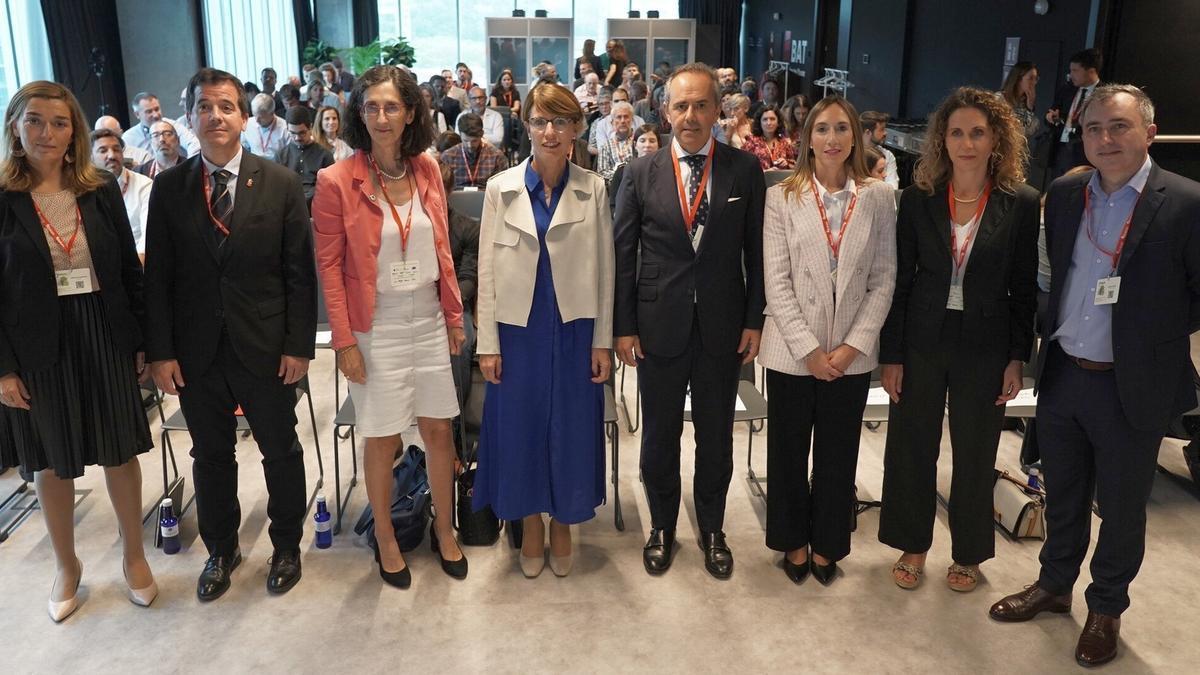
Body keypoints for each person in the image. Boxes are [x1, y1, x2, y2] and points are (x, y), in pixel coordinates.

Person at [989, 84, 1200, 666]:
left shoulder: (1184, 202)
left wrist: (1152, 334)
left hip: (1131, 385)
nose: (1105, 139)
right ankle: (1054, 586)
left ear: (1149, 133)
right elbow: (1052, 275)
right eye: (1093, 129)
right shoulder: (1064, 194)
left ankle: (1106, 607)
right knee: (1063, 495)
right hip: (1063, 375)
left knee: (1123, 508)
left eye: (1119, 127)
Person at [144, 68, 317, 602]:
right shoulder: (170, 187)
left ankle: (286, 543)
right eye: (204, 106)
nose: (215, 116)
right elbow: (159, 279)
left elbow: (298, 274)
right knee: (210, 454)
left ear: (243, 116)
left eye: (225, 106)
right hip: (196, 352)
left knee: (280, 449)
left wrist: (298, 346)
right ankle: (222, 549)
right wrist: (161, 353)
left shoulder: (280, 182)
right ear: (190, 116)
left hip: (265, 347)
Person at [0, 81, 157, 622]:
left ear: (76, 131)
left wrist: (141, 340)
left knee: (119, 450)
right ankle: (67, 565)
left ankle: (135, 556)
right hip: (37, 342)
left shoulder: (100, 188)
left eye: (60, 122)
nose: (48, 133)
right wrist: (2, 369)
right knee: (51, 460)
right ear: (16, 127)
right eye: (36, 121)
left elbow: (129, 274)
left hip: (102, 327)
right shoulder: (2, 198)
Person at [311, 65, 469, 588]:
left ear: (410, 114)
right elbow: (329, 268)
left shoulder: (426, 169)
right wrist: (344, 341)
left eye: (392, 107)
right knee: (380, 438)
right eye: (372, 106)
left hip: (425, 314)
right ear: (359, 113)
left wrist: (451, 315)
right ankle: (384, 536)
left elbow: (442, 249)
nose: (382, 116)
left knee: (439, 428)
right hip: (373, 323)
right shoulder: (336, 180)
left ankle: (446, 529)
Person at [877, 86, 1038, 592]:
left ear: (996, 140)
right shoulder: (918, 198)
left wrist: (1017, 358)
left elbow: (1024, 287)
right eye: (956, 133)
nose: (966, 143)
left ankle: (968, 552)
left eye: (977, 133)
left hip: (985, 345)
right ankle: (913, 544)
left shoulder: (1021, 203)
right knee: (911, 446)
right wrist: (893, 354)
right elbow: (899, 281)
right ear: (941, 140)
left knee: (975, 451)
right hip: (923, 338)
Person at [614, 62, 766, 579]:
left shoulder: (744, 171)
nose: (692, 115)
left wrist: (754, 318)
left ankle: (714, 528)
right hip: (659, 325)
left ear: (718, 109)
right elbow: (623, 255)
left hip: (724, 326)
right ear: (665, 111)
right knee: (658, 435)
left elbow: (757, 253)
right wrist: (623, 326)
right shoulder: (638, 173)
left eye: (702, 104)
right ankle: (660, 526)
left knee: (716, 434)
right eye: (681, 106)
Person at [473, 80, 614, 579]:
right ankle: (530, 522)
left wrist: (603, 341)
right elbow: (487, 271)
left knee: (571, 428)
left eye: (560, 121)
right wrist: (486, 343)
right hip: (517, 331)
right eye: (539, 121)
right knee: (521, 428)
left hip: (575, 329)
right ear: (526, 126)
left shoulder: (593, 188)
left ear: (576, 128)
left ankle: (563, 522)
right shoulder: (500, 188)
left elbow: (606, 270)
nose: (549, 132)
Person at [759, 96, 897, 585]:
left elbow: (884, 278)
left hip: (851, 357)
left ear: (856, 136)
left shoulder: (878, 197)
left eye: (842, 128)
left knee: (839, 457)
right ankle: (793, 542)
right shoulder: (782, 196)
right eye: (822, 129)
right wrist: (810, 351)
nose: (832, 139)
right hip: (793, 352)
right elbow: (776, 281)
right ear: (807, 138)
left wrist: (851, 346)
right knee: (789, 453)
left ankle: (829, 545)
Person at [436, 160, 480, 408]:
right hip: (414, 306)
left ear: (448, 191)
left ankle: (456, 424)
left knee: (459, 345)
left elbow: (468, 279)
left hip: (454, 306)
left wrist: (443, 303)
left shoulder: (468, 228)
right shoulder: (408, 228)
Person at [90, 128, 153, 259]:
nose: (112, 155)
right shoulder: (83, 190)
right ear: (90, 157)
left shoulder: (144, 185)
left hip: (137, 263)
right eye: (103, 151)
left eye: (116, 149)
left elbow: (148, 236)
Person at [1046, 48, 1102, 182]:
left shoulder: (1103, 94)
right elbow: (1051, 112)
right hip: (1061, 149)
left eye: (1075, 71)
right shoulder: (1067, 90)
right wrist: (1051, 118)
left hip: (1085, 153)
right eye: (1071, 71)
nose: (1071, 75)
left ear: (1091, 71)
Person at [275, 106, 334, 208]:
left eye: (302, 133)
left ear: (310, 127)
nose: (297, 138)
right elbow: (277, 187)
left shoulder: (325, 155)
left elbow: (328, 188)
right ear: (287, 129)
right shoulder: (281, 155)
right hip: (288, 207)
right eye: (293, 133)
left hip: (317, 206)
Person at [440, 113, 508, 189]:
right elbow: (443, 189)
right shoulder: (448, 157)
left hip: (486, 198)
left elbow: (500, 188)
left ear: (482, 134)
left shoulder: (497, 157)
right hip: (456, 199)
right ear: (460, 135)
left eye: (474, 141)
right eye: (465, 140)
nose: (469, 145)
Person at [1001, 61, 1044, 181]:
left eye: (1036, 79)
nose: (1034, 83)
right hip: (1000, 151)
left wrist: (1030, 107)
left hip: (1017, 154)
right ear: (1019, 79)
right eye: (1030, 78)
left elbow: (1028, 132)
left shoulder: (1026, 103)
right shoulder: (1000, 99)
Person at [124, 91, 198, 158]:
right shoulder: (129, 138)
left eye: (157, 109)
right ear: (137, 114)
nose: (156, 115)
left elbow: (194, 144)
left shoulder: (173, 126)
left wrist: (191, 165)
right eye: (149, 112)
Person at [741, 105, 796, 170]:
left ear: (778, 122)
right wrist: (765, 172)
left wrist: (786, 163)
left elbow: (794, 166)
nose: (769, 123)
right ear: (760, 123)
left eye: (772, 119)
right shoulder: (751, 142)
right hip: (759, 179)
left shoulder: (784, 142)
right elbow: (742, 166)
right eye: (765, 119)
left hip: (780, 179)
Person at [595, 101, 636, 180]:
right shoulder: (606, 146)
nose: (623, 121)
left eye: (626, 117)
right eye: (619, 117)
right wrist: (623, 175)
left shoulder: (639, 141)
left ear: (632, 120)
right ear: (612, 122)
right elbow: (602, 172)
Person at [243, 93, 289, 160]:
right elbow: (244, 149)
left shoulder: (284, 128)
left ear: (272, 113)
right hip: (253, 167)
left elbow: (288, 157)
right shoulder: (248, 124)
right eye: (254, 115)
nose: (256, 120)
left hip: (276, 168)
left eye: (261, 117)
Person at [860, 111, 900, 188]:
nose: (885, 133)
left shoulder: (888, 156)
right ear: (868, 132)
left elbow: (892, 187)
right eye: (881, 130)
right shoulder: (850, 152)